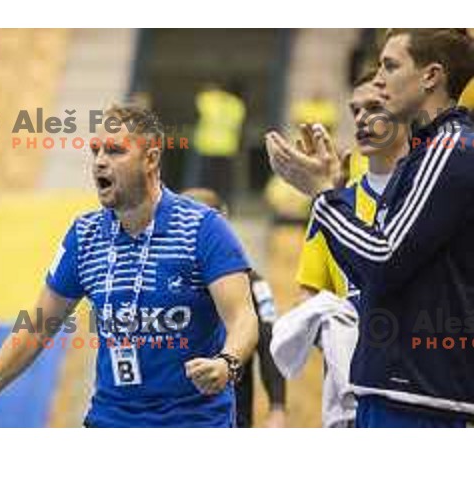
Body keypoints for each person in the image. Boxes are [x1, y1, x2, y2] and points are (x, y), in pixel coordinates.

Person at [0, 104, 258, 428]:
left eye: (114, 151)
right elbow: (40, 324)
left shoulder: (204, 228)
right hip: (110, 420)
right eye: (95, 151)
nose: (100, 161)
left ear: (151, 160)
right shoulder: (83, 235)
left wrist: (227, 363)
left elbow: (243, 317)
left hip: (194, 423)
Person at [266, 28, 474, 427]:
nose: (379, 79)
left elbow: (382, 259)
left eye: (391, 66)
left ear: (431, 76)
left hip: (417, 397)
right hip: (396, 389)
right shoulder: (423, 152)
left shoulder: (447, 148)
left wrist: (322, 195)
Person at [275, 72, 409, 428]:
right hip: (351, 402)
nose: (362, 118)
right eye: (355, 110)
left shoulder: (434, 193)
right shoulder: (335, 204)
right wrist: (336, 327)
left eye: (375, 108)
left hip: (421, 393)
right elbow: (309, 297)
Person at [182, 187, 286, 428]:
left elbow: (270, 339)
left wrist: (277, 406)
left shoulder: (256, 283)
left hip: (231, 415)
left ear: (224, 222)